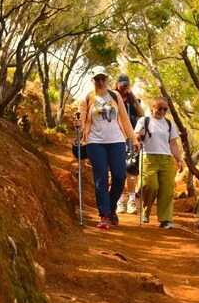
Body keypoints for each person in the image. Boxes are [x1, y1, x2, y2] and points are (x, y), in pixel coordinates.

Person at [74, 66, 140, 229]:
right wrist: (78, 125)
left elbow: (125, 120)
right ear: (92, 80)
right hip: (95, 143)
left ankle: (111, 208)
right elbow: (81, 122)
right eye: (97, 79)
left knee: (119, 176)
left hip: (117, 141)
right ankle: (104, 215)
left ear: (107, 80)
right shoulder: (87, 99)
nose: (100, 81)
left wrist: (134, 140)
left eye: (103, 78)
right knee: (101, 178)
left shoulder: (115, 96)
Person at [135, 97, 184, 229]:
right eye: (159, 108)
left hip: (166, 159)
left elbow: (173, 144)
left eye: (165, 109)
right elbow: (136, 139)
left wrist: (179, 159)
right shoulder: (144, 121)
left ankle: (166, 219)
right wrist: (139, 135)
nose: (162, 111)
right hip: (148, 157)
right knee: (150, 185)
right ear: (153, 107)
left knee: (167, 190)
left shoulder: (169, 124)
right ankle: (146, 210)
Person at [114, 74, 143, 215]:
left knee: (131, 168)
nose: (125, 87)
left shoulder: (132, 100)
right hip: (115, 137)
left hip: (130, 137)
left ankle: (131, 201)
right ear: (117, 84)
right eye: (122, 85)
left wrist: (135, 98)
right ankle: (119, 201)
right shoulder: (111, 98)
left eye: (127, 85)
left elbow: (142, 115)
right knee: (116, 169)